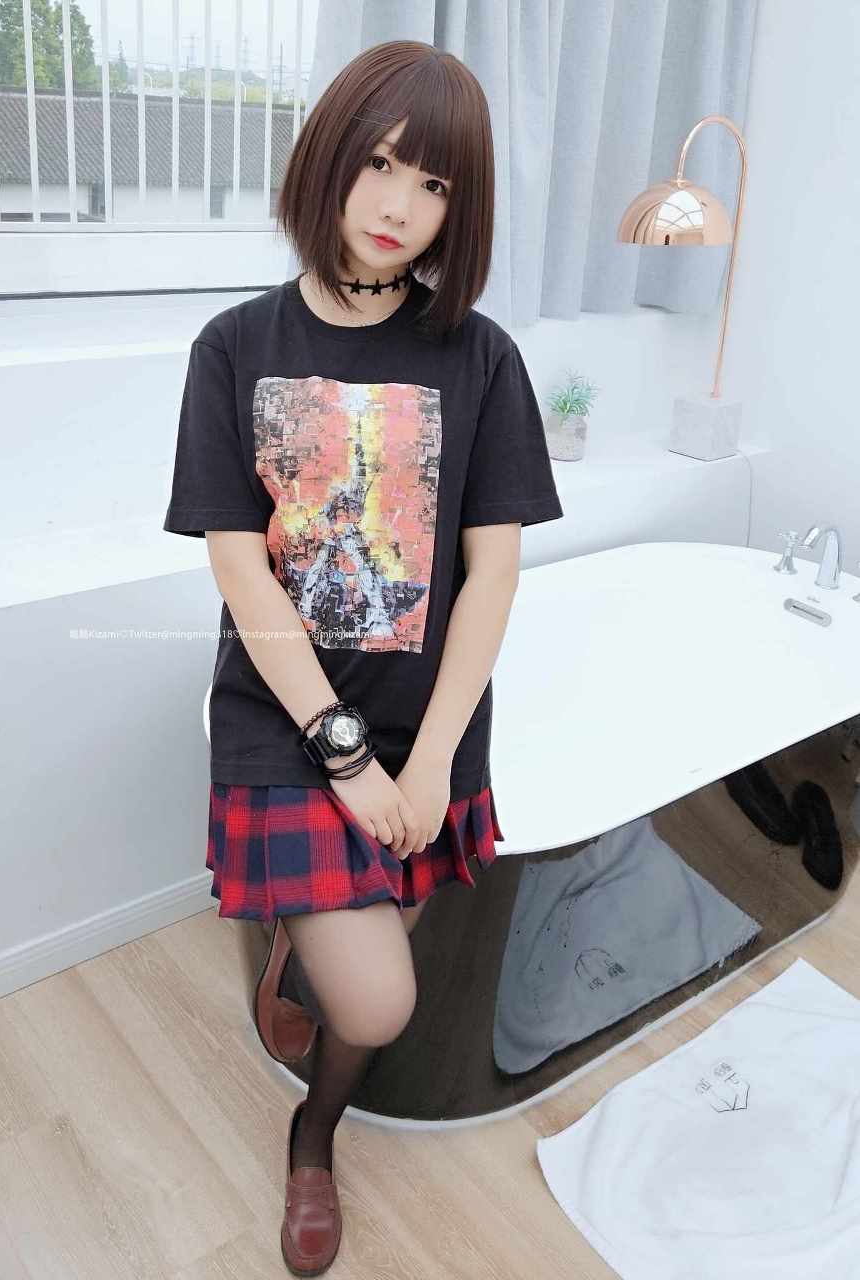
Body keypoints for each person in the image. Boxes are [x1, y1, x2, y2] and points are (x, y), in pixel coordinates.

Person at [163, 38, 564, 1276]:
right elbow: (242, 572)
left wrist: (430, 758)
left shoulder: (480, 357)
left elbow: (493, 574)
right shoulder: (235, 345)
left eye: (434, 183)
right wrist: (344, 757)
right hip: (290, 723)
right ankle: (313, 1136)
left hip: (424, 724)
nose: (399, 204)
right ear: (331, 160)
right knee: (383, 997)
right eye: (381, 163)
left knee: (374, 955)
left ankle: (313, 1091)